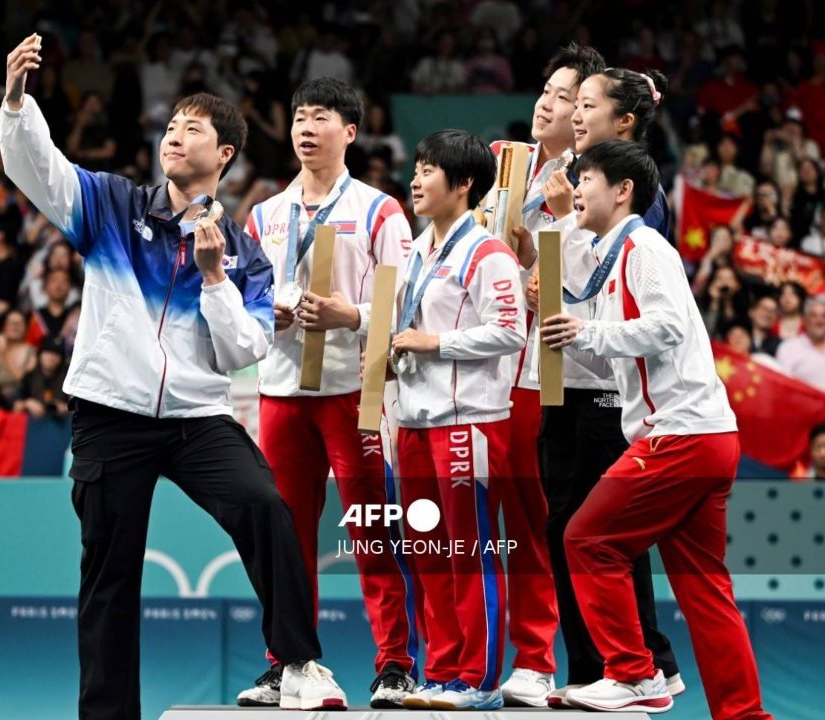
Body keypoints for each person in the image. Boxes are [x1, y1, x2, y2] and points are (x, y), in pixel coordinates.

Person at [0, 35, 342, 719]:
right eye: (172, 126)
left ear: (225, 155)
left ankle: (298, 663)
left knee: (266, 508)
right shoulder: (112, 207)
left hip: (196, 420)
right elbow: (42, 169)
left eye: (194, 129)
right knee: (109, 575)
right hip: (110, 415)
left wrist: (216, 279)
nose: (175, 136)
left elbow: (242, 349)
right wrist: (15, 102)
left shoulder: (241, 251)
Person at [539, 140, 772, 718]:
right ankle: (745, 715)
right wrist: (569, 338)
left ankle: (634, 672)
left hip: (682, 435)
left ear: (622, 191)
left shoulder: (643, 246)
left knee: (586, 538)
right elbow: (623, 361)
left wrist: (586, 333)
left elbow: (664, 327)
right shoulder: (614, 258)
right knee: (706, 591)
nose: (577, 189)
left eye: (585, 177)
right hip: (705, 435)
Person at [238, 76, 416, 709]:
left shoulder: (379, 210)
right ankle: (287, 661)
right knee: (285, 536)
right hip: (282, 390)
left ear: (351, 130)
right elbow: (245, 296)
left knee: (371, 530)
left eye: (321, 117)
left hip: (355, 390)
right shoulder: (263, 215)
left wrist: (352, 317)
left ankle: (395, 662)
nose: (306, 128)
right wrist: (274, 311)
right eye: (299, 118)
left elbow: (404, 301)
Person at [527, 64, 684, 707]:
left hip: (607, 389)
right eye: (572, 100)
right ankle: (605, 666)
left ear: (623, 121)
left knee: (595, 533)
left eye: (584, 102)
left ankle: (633, 664)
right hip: (566, 379)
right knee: (573, 527)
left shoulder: (631, 191)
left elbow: (613, 288)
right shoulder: (576, 180)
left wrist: (562, 229)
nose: (573, 111)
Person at [483, 42, 606, 708]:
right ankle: (466, 662)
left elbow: (593, 281)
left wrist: (550, 249)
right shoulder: (514, 168)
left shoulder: (597, 180)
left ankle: (538, 661)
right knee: (477, 524)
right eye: (548, 90)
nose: (548, 103)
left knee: (536, 525)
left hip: (547, 376)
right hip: (484, 372)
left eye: (565, 97)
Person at [386, 130, 524, 711]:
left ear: (463, 184)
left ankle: (480, 680)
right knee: (423, 554)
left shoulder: (488, 253)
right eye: (415, 168)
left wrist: (433, 342)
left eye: (429, 170)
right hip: (414, 422)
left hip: (468, 422)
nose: (416, 180)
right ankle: (441, 672)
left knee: (469, 550)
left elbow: (512, 332)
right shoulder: (418, 249)